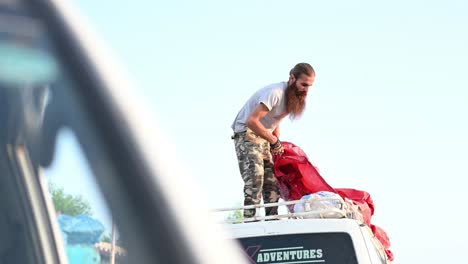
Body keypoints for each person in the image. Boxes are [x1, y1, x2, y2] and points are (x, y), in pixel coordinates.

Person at [231, 62, 315, 219]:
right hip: (246, 132)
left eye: (310, 86)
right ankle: (250, 221)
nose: (306, 89)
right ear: (292, 78)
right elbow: (252, 121)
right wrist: (273, 140)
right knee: (256, 178)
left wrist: (277, 146)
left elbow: (274, 122)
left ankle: (271, 220)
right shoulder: (275, 93)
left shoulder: (293, 99)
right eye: (303, 84)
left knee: (273, 181)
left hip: (264, 135)